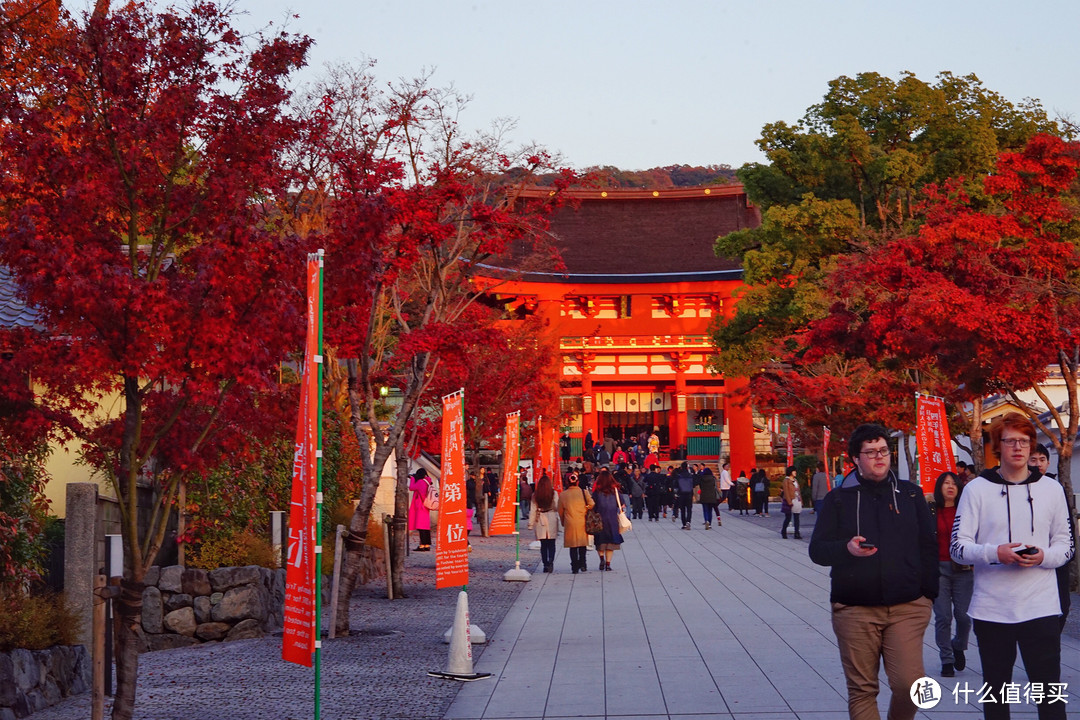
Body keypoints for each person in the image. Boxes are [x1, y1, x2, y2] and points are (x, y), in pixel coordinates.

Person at [809, 423, 938, 720]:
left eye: (883, 451)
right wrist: (846, 549)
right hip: (854, 608)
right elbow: (817, 550)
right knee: (862, 689)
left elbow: (928, 545)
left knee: (910, 684)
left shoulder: (910, 495)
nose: (879, 457)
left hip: (907, 605)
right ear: (855, 458)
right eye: (870, 452)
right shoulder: (838, 499)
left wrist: (928, 593)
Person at [951, 412, 1074, 720]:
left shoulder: (1052, 489)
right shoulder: (976, 489)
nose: (1018, 448)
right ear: (997, 446)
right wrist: (996, 553)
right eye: (1010, 441)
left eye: (1024, 441)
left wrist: (1043, 556)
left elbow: (1066, 545)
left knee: (1050, 699)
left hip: (1041, 607)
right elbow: (957, 548)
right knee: (996, 699)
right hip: (992, 610)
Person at [928, 471, 972, 678]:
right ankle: (946, 659)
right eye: (946, 483)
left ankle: (958, 644)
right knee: (943, 616)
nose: (950, 486)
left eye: (954, 483)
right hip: (938, 569)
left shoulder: (966, 511)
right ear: (939, 488)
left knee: (963, 617)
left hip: (963, 570)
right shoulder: (930, 511)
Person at [557, 472, 594, 574]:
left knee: (572, 546)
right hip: (582, 520)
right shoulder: (584, 492)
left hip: (570, 521)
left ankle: (574, 566)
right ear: (578, 482)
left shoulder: (563, 494)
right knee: (582, 544)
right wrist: (585, 508)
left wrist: (563, 521)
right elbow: (592, 504)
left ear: (567, 483)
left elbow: (560, 510)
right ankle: (583, 564)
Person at [590, 469, 625, 571]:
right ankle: (608, 564)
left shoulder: (597, 492)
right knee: (611, 543)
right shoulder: (615, 491)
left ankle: (601, 559)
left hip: (600, 520)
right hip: (612, 520)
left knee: (600, 542)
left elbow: (593, 505)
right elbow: (621, 504)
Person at [528, 473, 560, 573]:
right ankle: (551, 561)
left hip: (540, 517)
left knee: (543, 544)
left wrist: (530, 524)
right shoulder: (553, 493)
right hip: (551, 517)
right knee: (552, 543)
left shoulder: (535, 495)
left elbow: (532, 510)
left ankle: (545, 564)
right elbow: (557, 506)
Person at [407, 468, 434, 551]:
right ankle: (427, 545)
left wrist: (412, 479)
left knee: (421, 527)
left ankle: (422, 545)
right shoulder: (428, 482)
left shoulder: (420, 482)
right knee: (426, 527)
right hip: (426, 506)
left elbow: (411, 488)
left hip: (420, 506)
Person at [780, 465, 802, 539]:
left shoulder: (795, 480)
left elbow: (798, 491)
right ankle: (783, 531)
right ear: (790, 472)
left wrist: (801, 500)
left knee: (797, 517)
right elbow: (786, 492)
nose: (795, 472)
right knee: (788, 518)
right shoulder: (786, 480)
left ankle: (797, 533)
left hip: (796, 499)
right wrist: (789, 501)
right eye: (794, 471)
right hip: (790, 500)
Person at [674, 461, 695, 529]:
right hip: (689, 494)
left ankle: (684, 523)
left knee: (682, 509)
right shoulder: (690, 475)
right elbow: (694, 484)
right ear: (687, 467)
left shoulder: (679, 475)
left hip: (681, 494)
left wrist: (676, 493)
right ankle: (688, 521)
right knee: (689, 509)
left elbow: (676, 485)